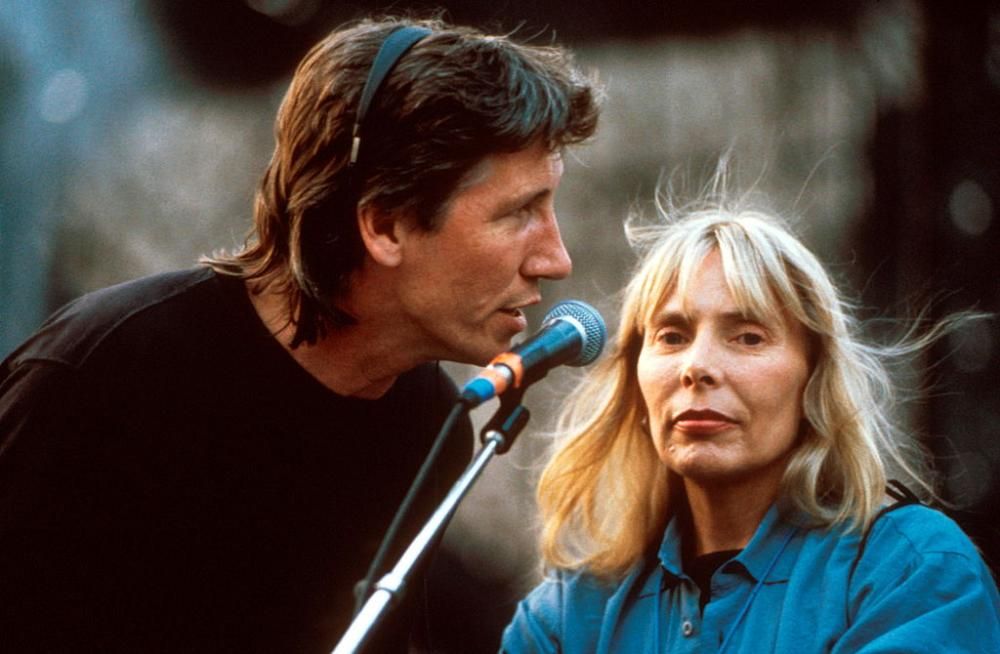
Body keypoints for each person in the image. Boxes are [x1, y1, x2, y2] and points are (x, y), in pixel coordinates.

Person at [0, 16, 599, 654]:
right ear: (385, 225)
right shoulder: (104, 368)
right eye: (519, 212)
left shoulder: (429, 426)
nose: (556, 259)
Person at [501, 200, 1000, 652]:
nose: (697, 367)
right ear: (635, 380)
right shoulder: (572, 613)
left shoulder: (908, 569)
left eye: (747, 337)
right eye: (672, 336)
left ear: (814, 378)